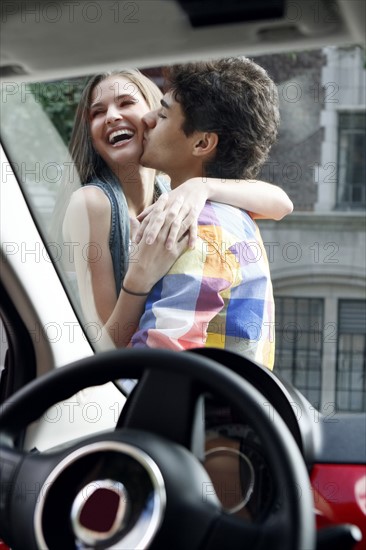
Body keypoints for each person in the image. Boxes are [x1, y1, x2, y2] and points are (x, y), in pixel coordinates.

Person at [59, 68, 291, 349]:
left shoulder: (172, 190)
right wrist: (139, 279)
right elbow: (104, 347)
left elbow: (281, 204)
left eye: (126, 103)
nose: (111, 116)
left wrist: (203, 186)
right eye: (97, 112)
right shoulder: (93, 203)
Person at [128, 58, 281, 370]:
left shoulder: (201, 232)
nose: (146, 118)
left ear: (201, 143)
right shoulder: (234, 214)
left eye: (163, 113)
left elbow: (154, 370)